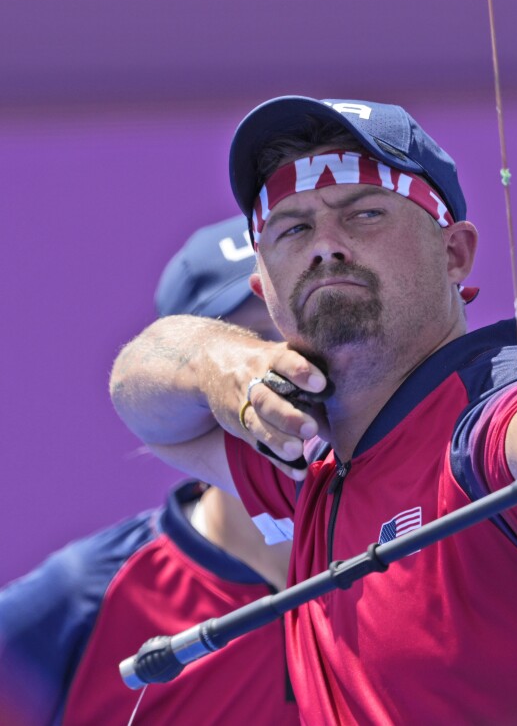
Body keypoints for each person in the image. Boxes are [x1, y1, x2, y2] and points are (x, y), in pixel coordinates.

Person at [109, 97, 517, 724]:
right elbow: (146, 403)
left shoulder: (484, 424)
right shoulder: (311, 448)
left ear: (454, 254)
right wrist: (223, 365)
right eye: (293, 228)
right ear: (264, 288)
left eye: (365, 214)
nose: (326, 245)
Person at [0, 216, 298, 725]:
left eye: (296, 334)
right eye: (244, 343)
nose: (278, 372)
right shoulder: (86, 595)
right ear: (176, 383)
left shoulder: (418, 551)